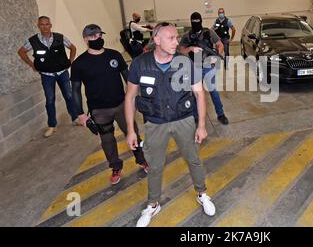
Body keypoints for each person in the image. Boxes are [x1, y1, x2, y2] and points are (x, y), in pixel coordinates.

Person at [125, 22, 216, 227]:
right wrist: (131, 130)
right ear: (157, 40)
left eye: (177, 38)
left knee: (193, 159)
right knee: (155, 166)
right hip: (155, 123)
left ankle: (202, 194)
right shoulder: (140, 64)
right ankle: (153, 204)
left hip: (184, 120)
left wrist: (201, 124)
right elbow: (130, 97)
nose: (176, 42)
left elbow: (199, 93)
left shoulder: (184, 61)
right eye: (171, 38)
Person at [71, 24, 149, 185]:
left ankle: (142, 160)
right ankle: (115, 166)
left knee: (132, 132)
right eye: (93, 37)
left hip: (122, 105)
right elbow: (76, 90)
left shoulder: (114, 55)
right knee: (107, 141)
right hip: (99, 110)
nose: (97, 38)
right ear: (85, 40)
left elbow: (128, 77)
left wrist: (135, 97)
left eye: (99, 35)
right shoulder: (79, 63)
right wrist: (81, 114)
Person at [18, 16, 80, 138]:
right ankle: (52, 125)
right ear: (38, 26)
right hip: (47, 75)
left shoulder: (60, 37)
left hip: (62, 73)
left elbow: (73, 47)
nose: (45, 27)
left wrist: (70, 61)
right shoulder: (33, 41)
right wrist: (32, 65)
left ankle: (75, 118)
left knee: (69, 95)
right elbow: (21, 51)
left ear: (50, 25)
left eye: (47, 24)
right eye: (42, 24)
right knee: (50, 100)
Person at [179, 12, 229, 125]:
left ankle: (220, 114)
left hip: (208, 66)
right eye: (194, 22)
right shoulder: (187, 35)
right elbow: (181, 50)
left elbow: (220, 45)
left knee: (213, 91)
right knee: (195, 92)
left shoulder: (209, 32)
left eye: (197, 21)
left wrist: (215, 57)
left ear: (201, 21)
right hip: (195, 67)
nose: (196, 23)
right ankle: (196, 116)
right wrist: (191, 48)